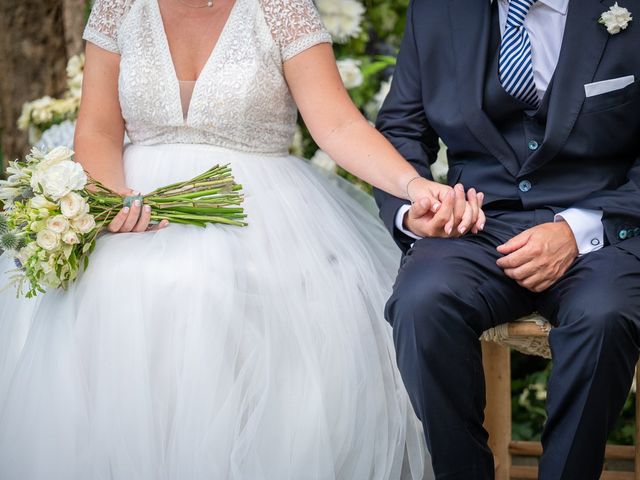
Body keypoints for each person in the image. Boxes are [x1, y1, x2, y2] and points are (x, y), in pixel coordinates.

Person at [0, 0, 485, 478]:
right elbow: (99, 128)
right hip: (134, 203)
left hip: (261, 216)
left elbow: (337, 124)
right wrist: (112, 203)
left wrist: (412, 185)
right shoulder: (118, 7)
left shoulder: (281, 8)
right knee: (115, 291)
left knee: (209, 297)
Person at [374, 0, 640, 478]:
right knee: (422, 303)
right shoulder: (437, 10)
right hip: (477, 225)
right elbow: (401, 128)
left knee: (606, 316)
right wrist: (415, 211)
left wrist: (578, 231)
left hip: (600, 226)